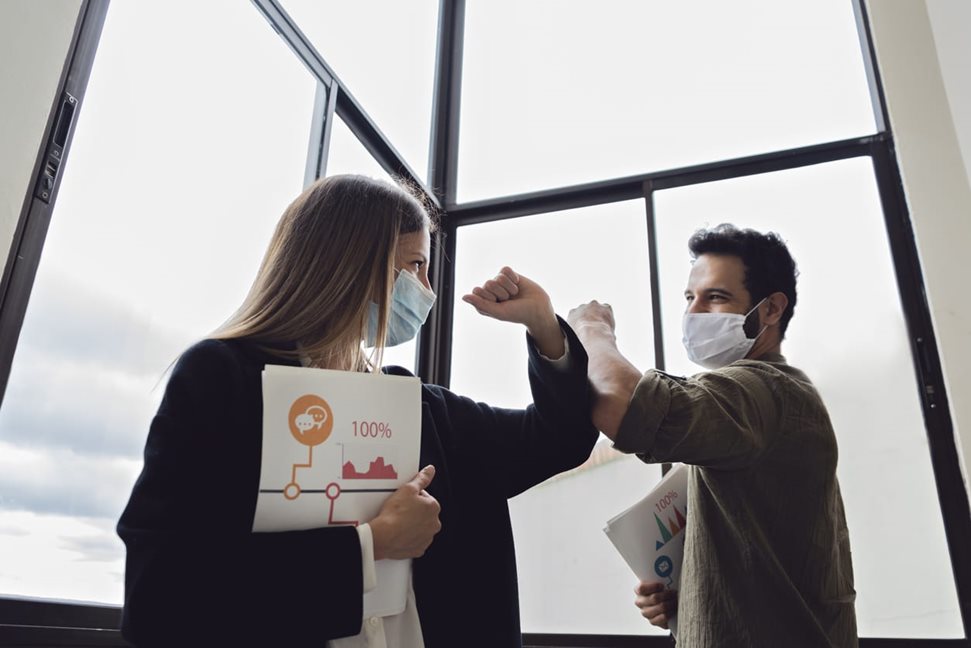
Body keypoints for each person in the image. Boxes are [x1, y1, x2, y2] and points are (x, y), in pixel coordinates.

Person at [117, 174, 598, 647]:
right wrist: (372, 545)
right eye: (414, 267)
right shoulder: (223, 380)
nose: (426, 289)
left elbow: (559, 439)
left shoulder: (418, 405)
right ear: (348, 266)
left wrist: (543, 326)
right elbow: (162, 596)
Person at [569, 224, 857, 647]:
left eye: (716, 297)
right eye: (690, 298)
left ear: (772, 309)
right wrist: (683, 600)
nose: (694, 313)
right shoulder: (766, 403)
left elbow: (622, 406)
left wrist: (592, 330)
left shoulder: (763, 389)